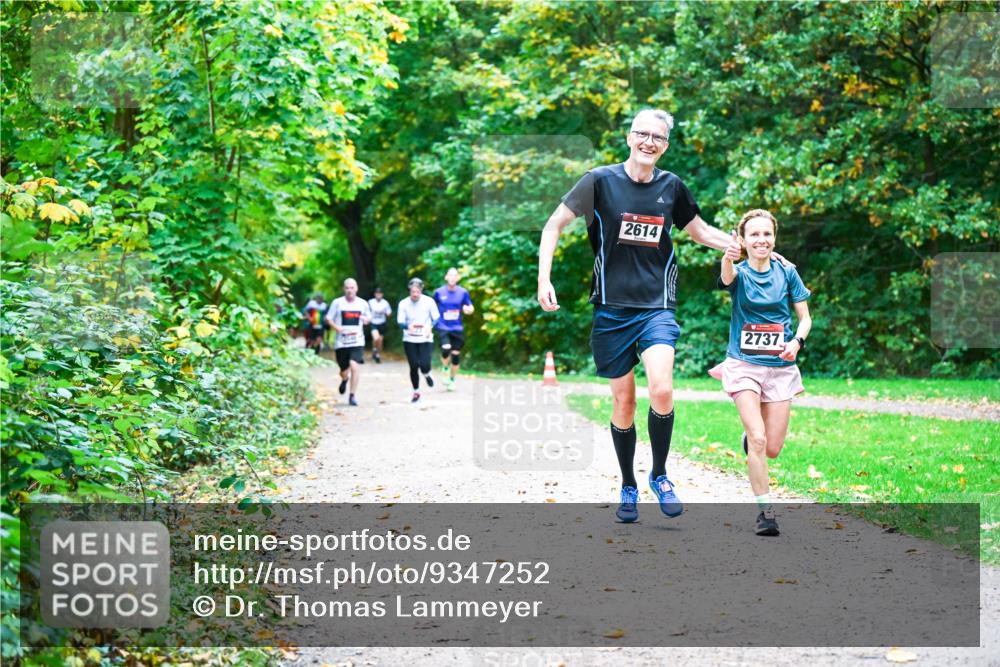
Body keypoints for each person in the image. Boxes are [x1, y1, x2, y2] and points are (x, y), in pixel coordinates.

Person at [537, 108, 790, 524]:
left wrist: (752, 246)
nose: (649, 142)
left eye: (658, 137)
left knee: (662, 390)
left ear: (665, 145)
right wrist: (544, 278)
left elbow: (702, 232)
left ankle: (659, 474)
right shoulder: (600, 182)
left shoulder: (672, 187)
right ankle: (628, 485)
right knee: (624, 401)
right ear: (629, 137)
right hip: (611, 309)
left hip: (657, 306)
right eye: (643, 134)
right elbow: (554, 225)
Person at [710, 209, 812, 536]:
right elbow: (726, 277)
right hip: (743, 365)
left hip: (780, 367)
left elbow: (805, 318)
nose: (761, 240)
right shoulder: (737, 272)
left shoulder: (787, 273)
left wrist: (797, 341)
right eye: (754, 234)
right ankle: (765, 512)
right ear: (743, 239)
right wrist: (728, 256)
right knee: (758, 438)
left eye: (766, 234)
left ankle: (751, 440)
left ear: (774, 238)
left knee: (772, 447)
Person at [326, 278, 371, 407]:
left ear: (356, 288)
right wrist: (337, 328)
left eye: (352, 288)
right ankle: (345, 379)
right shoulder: (337, 303)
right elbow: (329, 318)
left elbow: (369, 318)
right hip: (341, 342)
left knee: (354, 365)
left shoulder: (362, 303)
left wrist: (365, 319)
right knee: (344, 371)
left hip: (357, 341)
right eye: (347, 288)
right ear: (344, 289)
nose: (350, 290)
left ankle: (352, 395)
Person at [397, 278, 439, 403]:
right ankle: (416, 392)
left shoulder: (429, 301)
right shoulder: (403, 303)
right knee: (414, 365)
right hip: (410, 339)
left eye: (417, 291)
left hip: (425, 338)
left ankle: (427, 374)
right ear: (409, 290)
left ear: (421, 290)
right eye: (412, 291)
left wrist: (429, 327)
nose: (415, 294)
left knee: (425, 365)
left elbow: (436, 318)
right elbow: (400, 322)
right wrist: (406, 326)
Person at [433, 267, 474, 391]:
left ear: (458, 278)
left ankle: (452, 380)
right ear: (446, 277)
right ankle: (445, 368)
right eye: (450, 275)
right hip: (443, 326)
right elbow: (431, 306)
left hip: (457, 327)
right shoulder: (439, 292)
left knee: (455, 356)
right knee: (446, 348)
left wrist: (469, 310)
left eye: (454, 275)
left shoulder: (463, 292)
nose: (452, 277)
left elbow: (470, 306)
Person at [367, 287, 392, 363]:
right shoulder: (370, 302)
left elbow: (389, 313)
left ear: (382, 295)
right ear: (375, 294)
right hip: (373, 322)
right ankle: (374, 349)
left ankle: (377, 354)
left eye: (380, 294)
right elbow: (366, 311)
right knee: (376, 338)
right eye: (377, 294)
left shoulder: (385, 303)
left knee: (380, 340)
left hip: (382, 323)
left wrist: (385, 313)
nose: (378, 295)